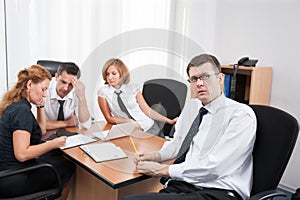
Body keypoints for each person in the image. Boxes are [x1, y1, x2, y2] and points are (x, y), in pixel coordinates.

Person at [123, 54, 257, 200]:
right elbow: (178, 143)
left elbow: (214, 168)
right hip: (186, 184)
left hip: (218, 190)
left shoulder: (240, 115)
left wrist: (161, 170)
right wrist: (155, 156)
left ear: (220, 78)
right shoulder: (192, 107)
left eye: (205, 76)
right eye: (194, 79)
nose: (199, 83)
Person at [0, 65, 75, 199]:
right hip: (13, 179)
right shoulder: (22, 112)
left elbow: (40, 131)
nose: (45, 94)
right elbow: (22, 154)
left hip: (8, 173)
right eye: (43, 89)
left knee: (55, 156)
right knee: (68, 166)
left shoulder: (17, 105)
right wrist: (53, 143)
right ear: (29, 84)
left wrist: (41, 107)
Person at [97, 58, 177, 137]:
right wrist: (130, 122)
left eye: (114, 73)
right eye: (107, 74)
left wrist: (169, 121)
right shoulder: (103, 92)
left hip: (149, 127)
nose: (110, 77)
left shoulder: (133, 89)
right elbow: (109, 118)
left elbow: (148, 111)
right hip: (130, 131)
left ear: (122, 74)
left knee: (161, 148)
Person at [41, 62, 91, 130]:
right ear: (56, 76)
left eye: (70, 84)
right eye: (63, 82)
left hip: (68, 133)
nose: (66, 88)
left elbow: (86, 124)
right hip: (46, 134)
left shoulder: (77, 90)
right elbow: (37, 125)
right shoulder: (43, 88)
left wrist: (81, 96)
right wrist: (67, 123)